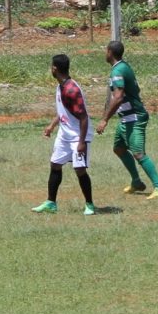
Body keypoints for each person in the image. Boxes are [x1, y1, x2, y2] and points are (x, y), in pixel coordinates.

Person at [96, 41, 158, 200]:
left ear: (110, 52)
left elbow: (119, 97)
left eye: (105, 51)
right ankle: (136, 182)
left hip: (134, 117)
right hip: (125, 119)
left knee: (138, 153)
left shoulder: (118, 70)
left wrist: (104, 120)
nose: (105, 54)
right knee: (119, 149)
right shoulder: (121, 67)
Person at [33, 54, 97, 215]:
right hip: (64, 133)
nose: (51, 69)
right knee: (55, 164)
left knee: (79, 169)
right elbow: (65, 111)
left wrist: (82, 142)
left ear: (55, 68)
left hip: (78, 135)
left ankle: (89, 204)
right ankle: (51, 203)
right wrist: (52, 126)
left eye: (51, 66)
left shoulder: (71, 89)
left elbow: (83, 117)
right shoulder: (61, 86)